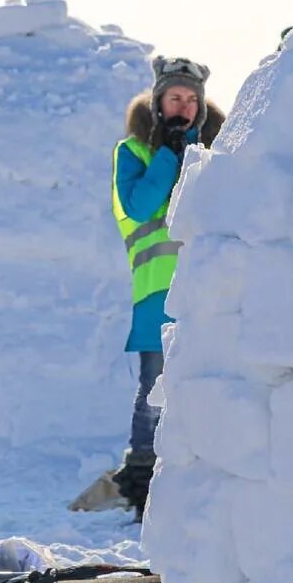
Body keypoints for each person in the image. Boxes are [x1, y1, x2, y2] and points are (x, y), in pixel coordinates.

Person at [110, 56, 223, 521]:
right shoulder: (133, 152)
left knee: (212, 383)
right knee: (154, 387)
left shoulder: (217, 151)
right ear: (157, 102)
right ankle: (143, 480)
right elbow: (139, 207)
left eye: (192, 100)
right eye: (175, 98)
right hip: (158, 291)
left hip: (210, 290)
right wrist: (168, 155)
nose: (184, 107)